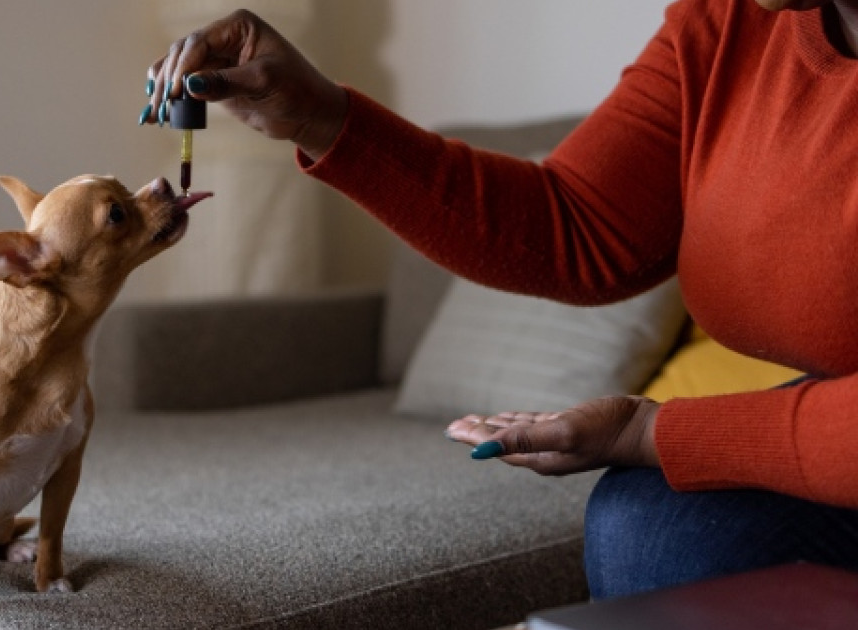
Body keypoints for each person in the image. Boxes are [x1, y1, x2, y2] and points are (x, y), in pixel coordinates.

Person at [140, 0, 858, 601]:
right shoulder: (731, 24)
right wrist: (320, 117)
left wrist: (650, 433)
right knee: (649, 524)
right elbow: (578, 226)